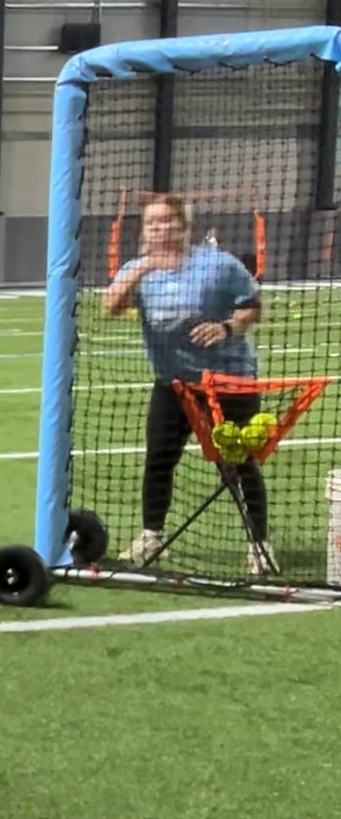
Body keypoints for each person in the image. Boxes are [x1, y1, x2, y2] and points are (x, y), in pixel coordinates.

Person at [103, 193, 271, 573]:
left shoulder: (218, 264)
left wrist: (227, 327)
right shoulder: (138, 269)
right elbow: (111, 306)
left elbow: (253, 306)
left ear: (184, 226)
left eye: (167, 221)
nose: (159, 229)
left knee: (236, 464)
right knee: (159, 459)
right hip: (173, 384)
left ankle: (259, 544)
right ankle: (152, 536)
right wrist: (142, 269)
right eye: (152, 223)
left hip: (228, 382)